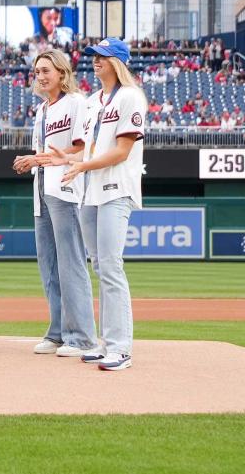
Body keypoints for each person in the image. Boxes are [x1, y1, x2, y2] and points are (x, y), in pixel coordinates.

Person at [53, 37, 147, 371]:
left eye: (102, 57)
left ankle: (121, 348)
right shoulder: (93, 101)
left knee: (110, 265)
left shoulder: (131, 97)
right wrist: (62, 157)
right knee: (99, 266)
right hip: (91, 192)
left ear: (117, 62)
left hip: (116, 189)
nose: (95, 61)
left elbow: (121, 151)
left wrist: (82, 165)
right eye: (93, 56)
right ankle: (108, 343)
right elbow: (88, 150)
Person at [12, 49, 96, 358]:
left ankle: (83, 337)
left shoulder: (76, 103)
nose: (41, 76)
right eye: (37, 71)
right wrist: (34, 163)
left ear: (62, 72)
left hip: (66, 187)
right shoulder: (42, 110)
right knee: (49, 263)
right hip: (42, 187)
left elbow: (79, 151)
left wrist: (36, 159)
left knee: (71, 262)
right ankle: (58, 331)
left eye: (47, 70)